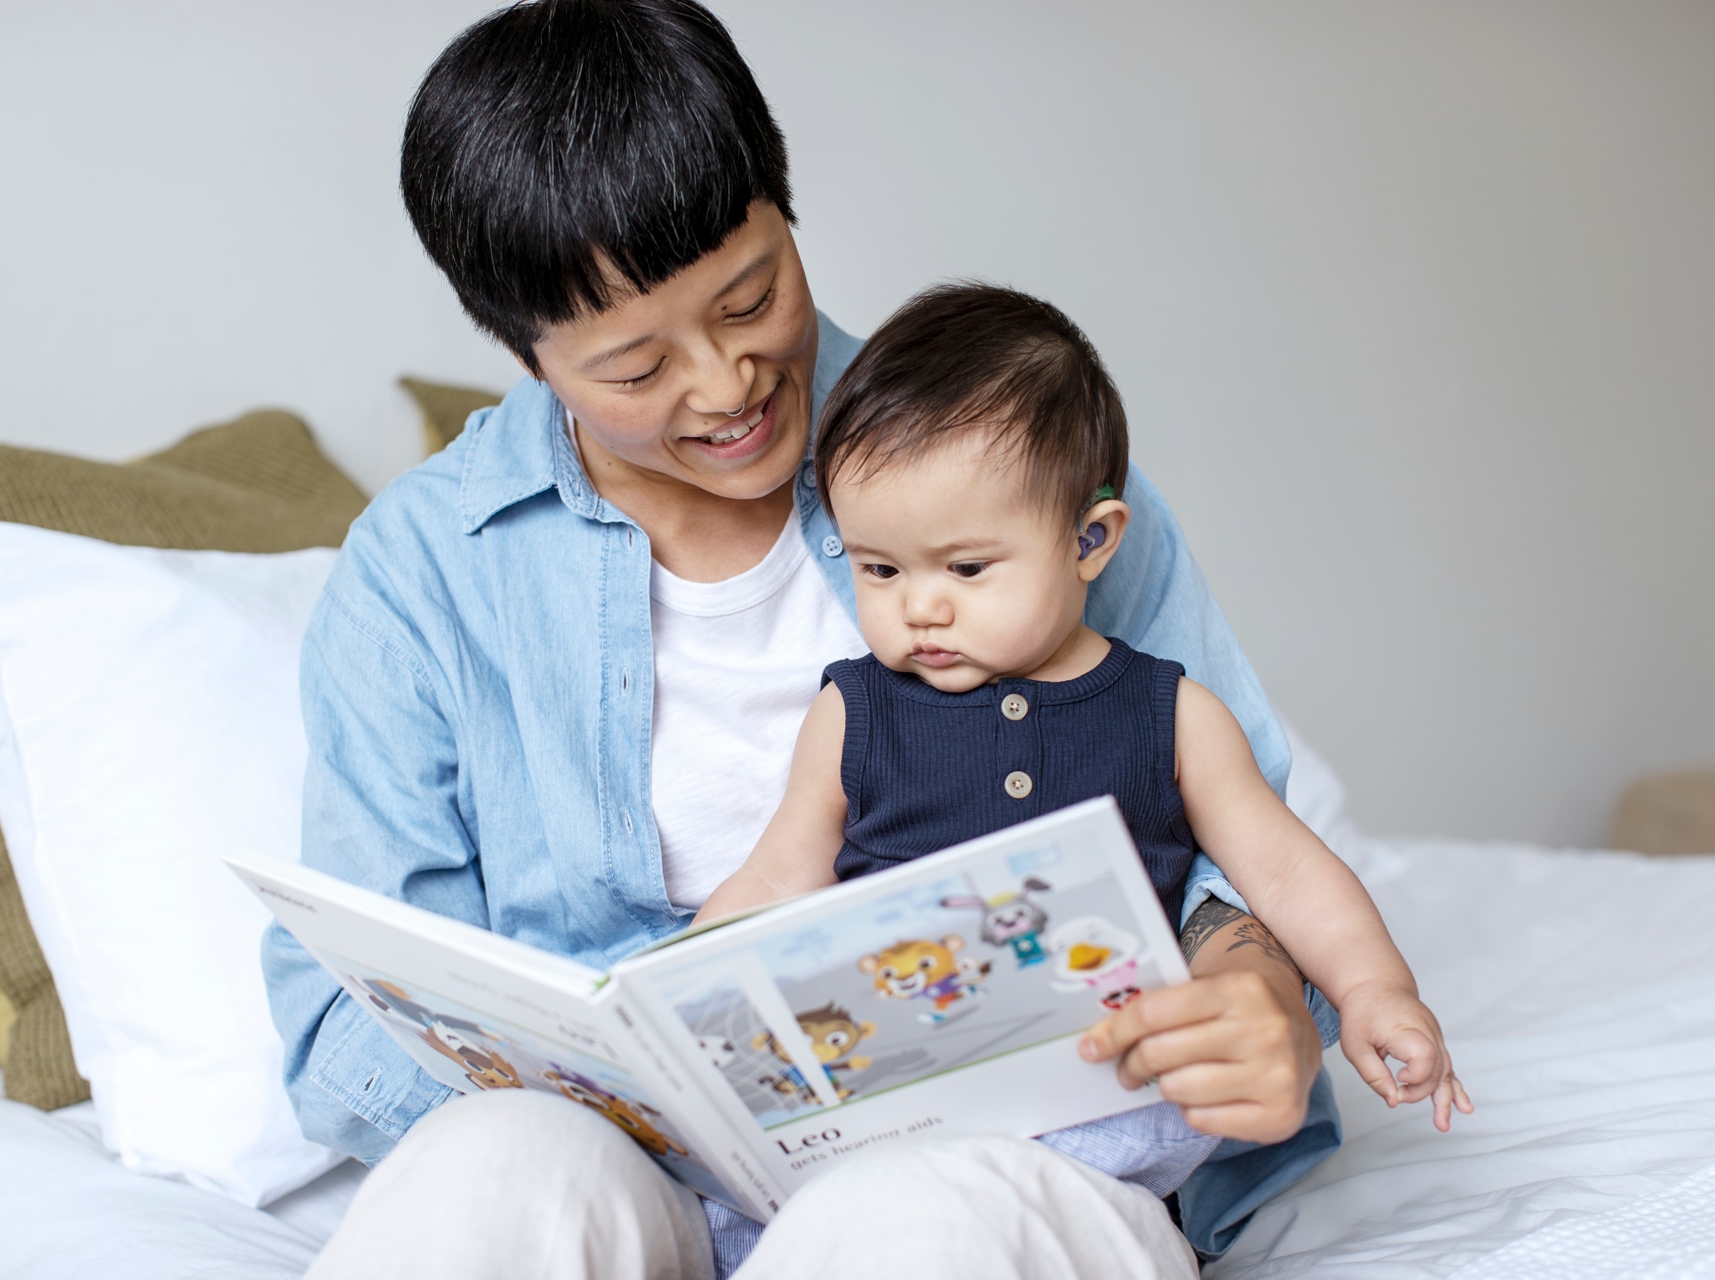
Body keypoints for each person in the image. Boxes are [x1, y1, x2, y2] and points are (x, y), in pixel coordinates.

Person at [262, 2, 1343, 1275]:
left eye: (751, 296)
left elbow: (1233, 837)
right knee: (486, 1177)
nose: (724, 385)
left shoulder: (1012, 460)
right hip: (636, 1156)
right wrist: (594, 1101)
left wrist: (1265, 989)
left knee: (901, 1228)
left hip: (1001, 1141)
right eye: (632, 367)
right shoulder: (423, 571)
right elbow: (348, 1009)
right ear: (527, 353)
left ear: (787, 208)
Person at [695, 282, 1475, 1151]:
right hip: (901, 1090)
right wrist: (674, 1012)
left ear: (1089, 541)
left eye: (966, 568)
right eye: (879, 570)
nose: (920, 608)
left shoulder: (1170, 713)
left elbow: (1285, 873)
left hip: (1105, 1083)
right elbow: (771, 883)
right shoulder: (853, 713)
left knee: (1145, 1123)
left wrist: (1375, 990)